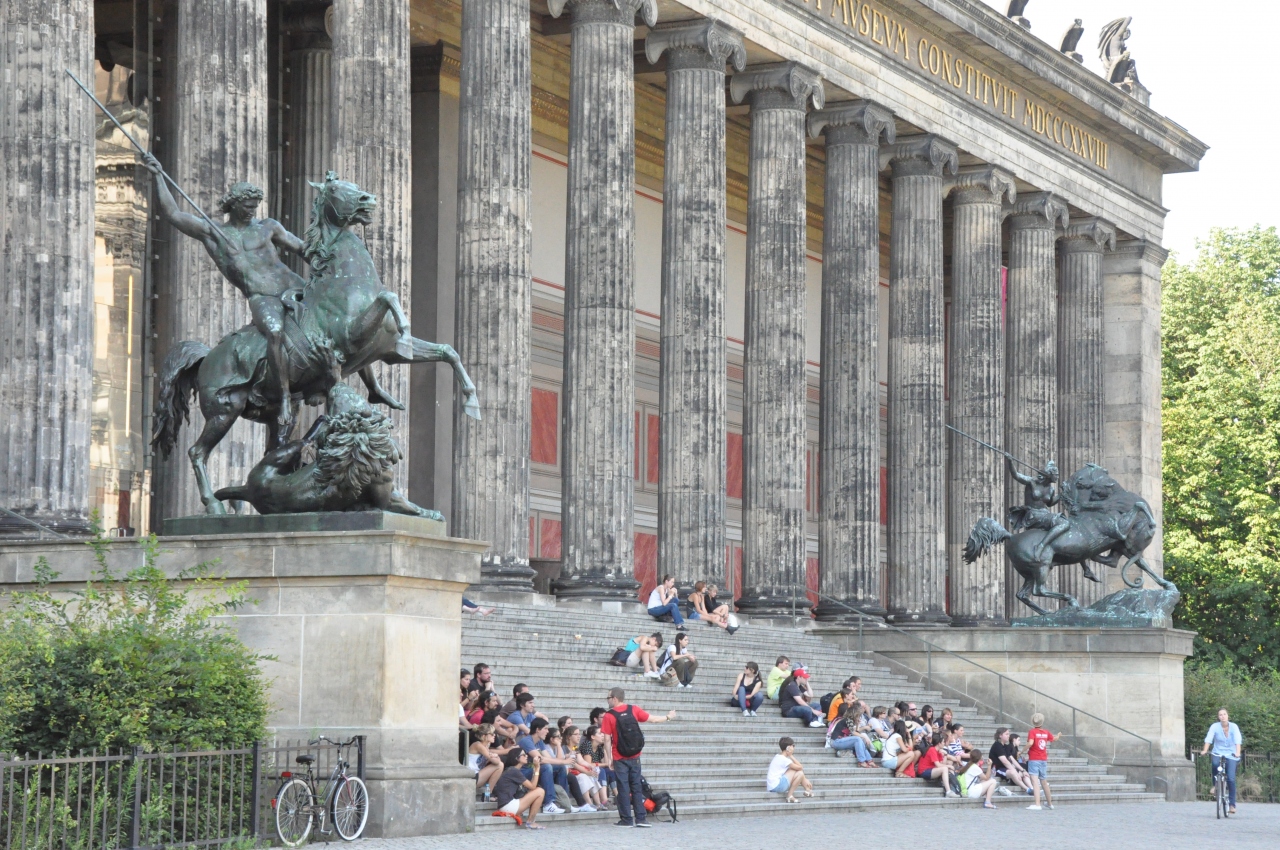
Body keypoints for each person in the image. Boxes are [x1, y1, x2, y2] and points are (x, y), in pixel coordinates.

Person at [142, 153, 402, 434]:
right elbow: (173, 214)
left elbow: (302, 249)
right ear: (233, 205)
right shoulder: (213, 234)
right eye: (246, 207)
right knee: (275, 332)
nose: (251, 212)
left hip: (294, 287)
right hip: (263, 297)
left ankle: (373, 387)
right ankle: (285, 397)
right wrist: (158, 175)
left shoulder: (268, 227)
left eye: (254, 207)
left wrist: (334, 258)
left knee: (344, 325)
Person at [599, 686, 676, 827]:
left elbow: (607, 739)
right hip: (635, 755)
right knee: (636, 786)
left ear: (614, 698)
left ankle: (626, 820)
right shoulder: (633, 709)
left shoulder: (609, 716)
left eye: (608, 698)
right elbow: (653, 719)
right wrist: (668, 717)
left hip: (619, 757)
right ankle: (641, 819)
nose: (607, 700)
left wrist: (609, 759)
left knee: (623, 788)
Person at [515, 718, 567, 814]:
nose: (547, 731)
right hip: (523, 772)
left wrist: (562, 762)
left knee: (560, 768)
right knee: (547, 767)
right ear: (537, 730)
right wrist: (563, 761)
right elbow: (540, 759)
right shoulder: (526, 741)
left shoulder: (539, 742)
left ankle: (564, 801)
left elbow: (549, 758)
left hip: (534, 769)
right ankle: (548, 804)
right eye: (545, 729)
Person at [1200, 707, 1243, 814]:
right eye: (1220, 715)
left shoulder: (1234, 727)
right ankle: (1215, 785)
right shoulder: (1214, 726)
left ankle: (1232, 805)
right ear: (1218, 717)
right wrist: (1205, 750)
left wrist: (1237, 753)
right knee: (1215, 763)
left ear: (1228, 716)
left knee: (1231, 778)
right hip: (1218, 752)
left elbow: (1238, 740)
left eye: (1224, 714)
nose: (1223, 716)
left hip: (1232, 754)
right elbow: (1209, 739)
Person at [491, 749, 546, 829]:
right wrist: (537, 768)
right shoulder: (513, 771)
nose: (526, 756)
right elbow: (533, 786)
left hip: (506, 805)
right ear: (516, 758)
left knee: (535, 791)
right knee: (540, 791)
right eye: (523, 755)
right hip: (508, 806)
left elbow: (531, 787)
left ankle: (531, 821)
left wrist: (535, 769)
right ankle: (531, 822)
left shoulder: (512, 770)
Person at [1024, 713, 1058, 810]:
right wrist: (1058, 736)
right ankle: (1050, 804)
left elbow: (1030, 743)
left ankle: (1037, 804)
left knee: (1035, 782)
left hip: (1034, 758)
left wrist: (1022, 750)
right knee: (1044, 781)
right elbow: (1054, 739)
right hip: (1043, 759)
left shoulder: (1032, 732)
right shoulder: (1046, 732)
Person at [573, 725, 610, 810]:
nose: (603, 735)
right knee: (600, 771)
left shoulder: (575, 747)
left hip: (589, 769)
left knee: (611, 771)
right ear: (593, 737)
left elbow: (606, 762)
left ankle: (600, 803)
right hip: (579, 771)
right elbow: (587, 763)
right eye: (600, 733)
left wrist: (605, 747)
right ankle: (602, 800)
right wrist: (602, 765)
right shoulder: (587, 745)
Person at [766, 737, 813, 803]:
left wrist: (804, 779)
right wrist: (791, 756)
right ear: (788, 747)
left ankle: (807, 789)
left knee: (798, 772)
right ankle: (790, 795)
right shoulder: (784, 760)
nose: (794, 748)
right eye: (793, 746)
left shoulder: (778, 757)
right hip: (777, 786)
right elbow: (800, 767)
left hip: (773, 786)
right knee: (799, 771)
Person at [989, 728, 1032, 795]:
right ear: (1000, 735)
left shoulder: (1005, 746)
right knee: (1013, 772)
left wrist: (1023, 770)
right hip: (997, 769)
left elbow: (1013, 760)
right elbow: (1004, 761)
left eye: (1008, 734)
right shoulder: (997, 745)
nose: (1008, 736)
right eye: (1006, 734)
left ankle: (1032, 788)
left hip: (1006, 769)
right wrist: (1016, 772)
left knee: (1024, 773)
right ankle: (1027, 790)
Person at [469, 725, 505, 797]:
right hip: (471, 777)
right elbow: (496, 762)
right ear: (484, 736)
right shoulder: (477, 745)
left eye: (494, 733)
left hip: (477, 776)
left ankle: (487, 793)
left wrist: (496, 756)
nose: (494, 735)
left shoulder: (486, 747)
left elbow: (495, 760)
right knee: (500, 765)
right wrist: (496, 756)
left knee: (500, 765)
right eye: (492, 734)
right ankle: (488, 794)